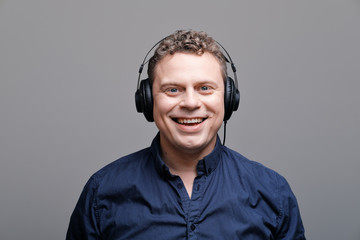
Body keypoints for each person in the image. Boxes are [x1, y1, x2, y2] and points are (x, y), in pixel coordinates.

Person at [66, 30, 306, 239]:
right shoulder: (102, 191)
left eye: (205, 88)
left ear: (228, 98)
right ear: (147, 101)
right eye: (173, 89)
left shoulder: (272, 192)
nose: (191, 103)